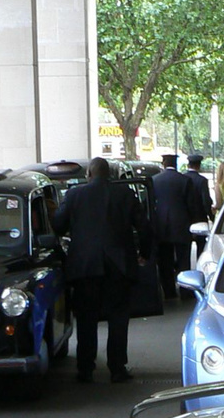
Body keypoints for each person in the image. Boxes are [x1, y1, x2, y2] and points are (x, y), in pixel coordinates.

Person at [53, 156, 153, 383]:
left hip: (85, 267)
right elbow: (145, 227)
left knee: (87, 318)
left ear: (89, 174)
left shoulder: (75, 195)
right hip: (118, 266)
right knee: (118, 317)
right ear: (109, 175)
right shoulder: (125, 194)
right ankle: (117, 368)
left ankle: (85, 368)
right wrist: (144, 254)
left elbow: (58, 225)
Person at [152, 153, 197, 299]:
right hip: (182, 225)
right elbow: (191, 205)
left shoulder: (154, 180)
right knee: (184, 260)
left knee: (165, 261)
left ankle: (169, 291)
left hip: (161, 226)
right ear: (176, 164)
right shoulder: (185, 181)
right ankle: (185, 291)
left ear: (164, 163)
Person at [186, 153, 215, 224]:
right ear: (198, 166)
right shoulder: (202, 180)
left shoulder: (181, 178)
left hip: (185, 217)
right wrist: (212, 217)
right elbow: (206, 200)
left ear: (188, 165)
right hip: (199, 218)